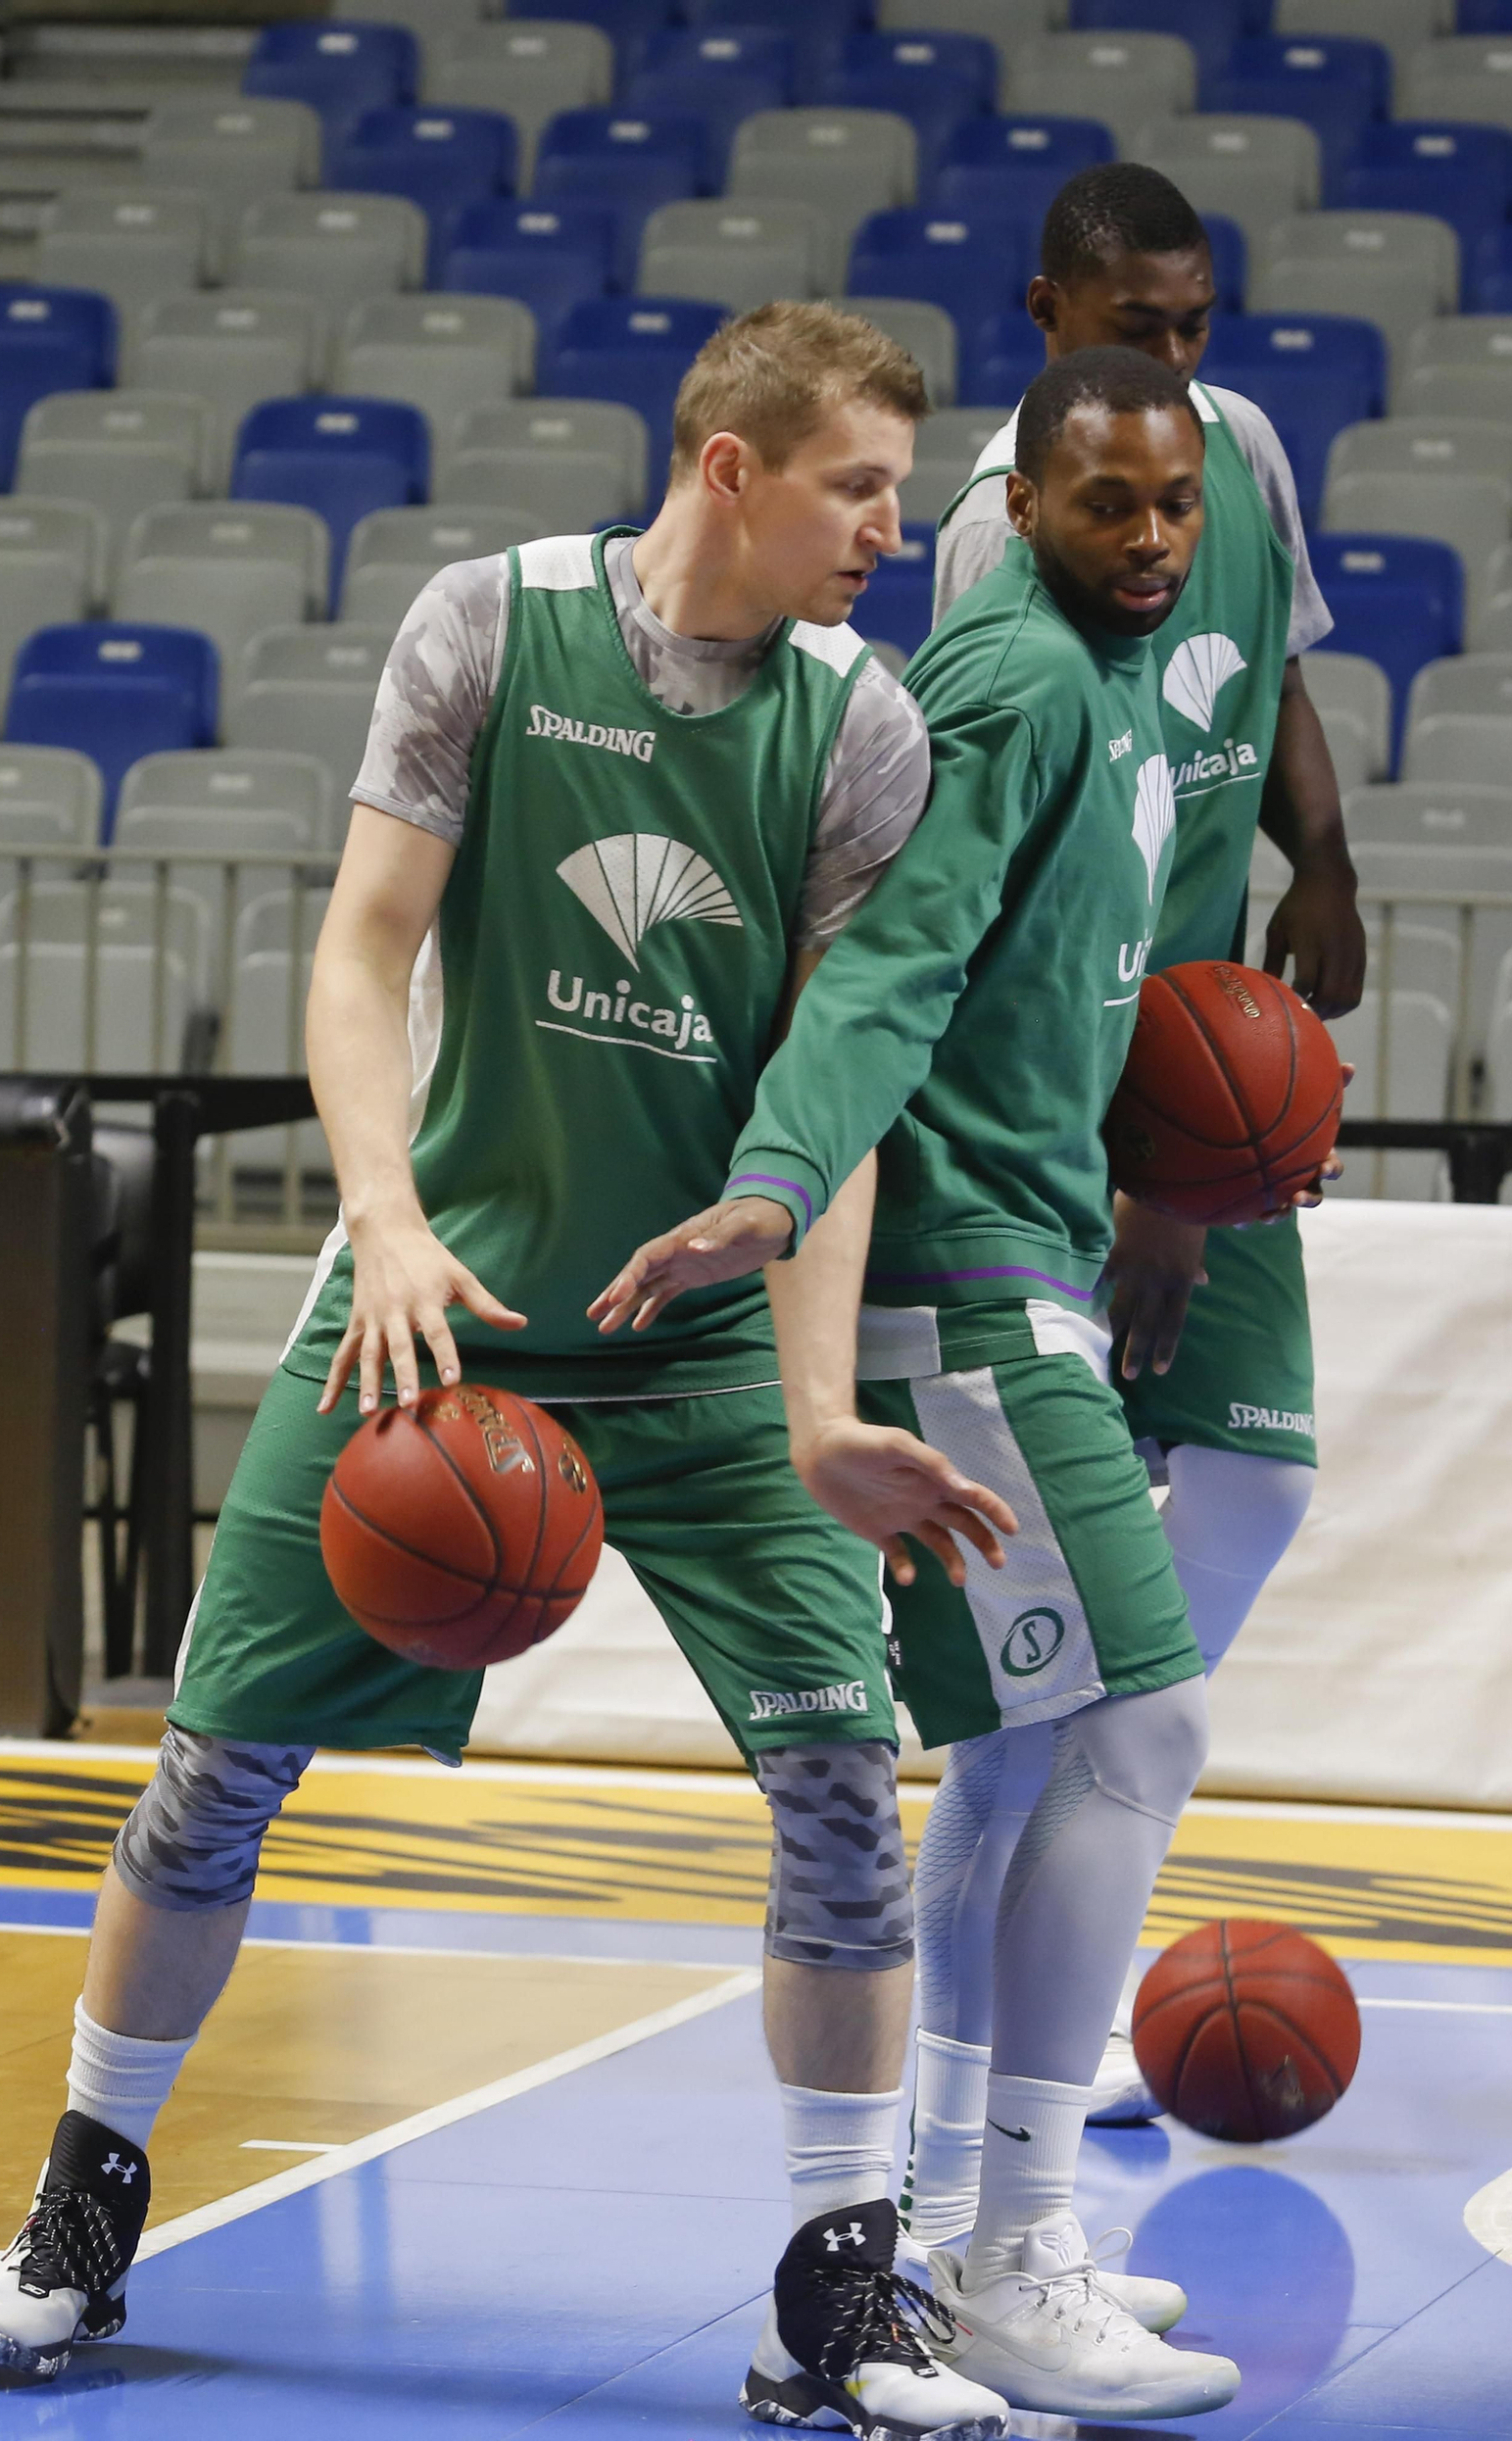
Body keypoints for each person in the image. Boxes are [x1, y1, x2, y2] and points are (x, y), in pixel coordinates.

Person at [0, 303, 1014, 2441]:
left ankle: (838, 2302)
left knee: (836, 1811)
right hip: (436, 1310)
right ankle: (81, 2209)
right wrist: (392, 1214)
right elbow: (361, 943)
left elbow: (841, 1087)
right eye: (858, 485)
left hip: (702, 1338)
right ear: (731, 466)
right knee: (214, 1774)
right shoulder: (487, 626)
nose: (895, 526)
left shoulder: (857, 722)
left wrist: (815, 1415)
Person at [591, 346, 1247, 2422]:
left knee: (1038, 1753)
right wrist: (783, 1182)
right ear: (1023, 503)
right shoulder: (1009, 677)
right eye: (1105, 505)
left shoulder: (1116, 679)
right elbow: (869, 960)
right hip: (957, 1281)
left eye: (1173, 505)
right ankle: (1010, 2239)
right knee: (1132, 1724)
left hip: (1023, 1255)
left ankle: (974, 2228)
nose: (1146, 537)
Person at [904, 161, 1368, 2178]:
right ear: (1042, 311)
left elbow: (1261, 671)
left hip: (1199, 1069)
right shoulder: (986, 552)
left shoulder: (1228, 454)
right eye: (1133, 327)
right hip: (1044, 1108)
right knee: (1034, 1710)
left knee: (1252, 1481)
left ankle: (1081, 1774)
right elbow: (984, 895)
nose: (1172, 366)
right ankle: (947, 2130)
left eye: (1194, 325)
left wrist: (1321, 849)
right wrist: (1138, 1180)